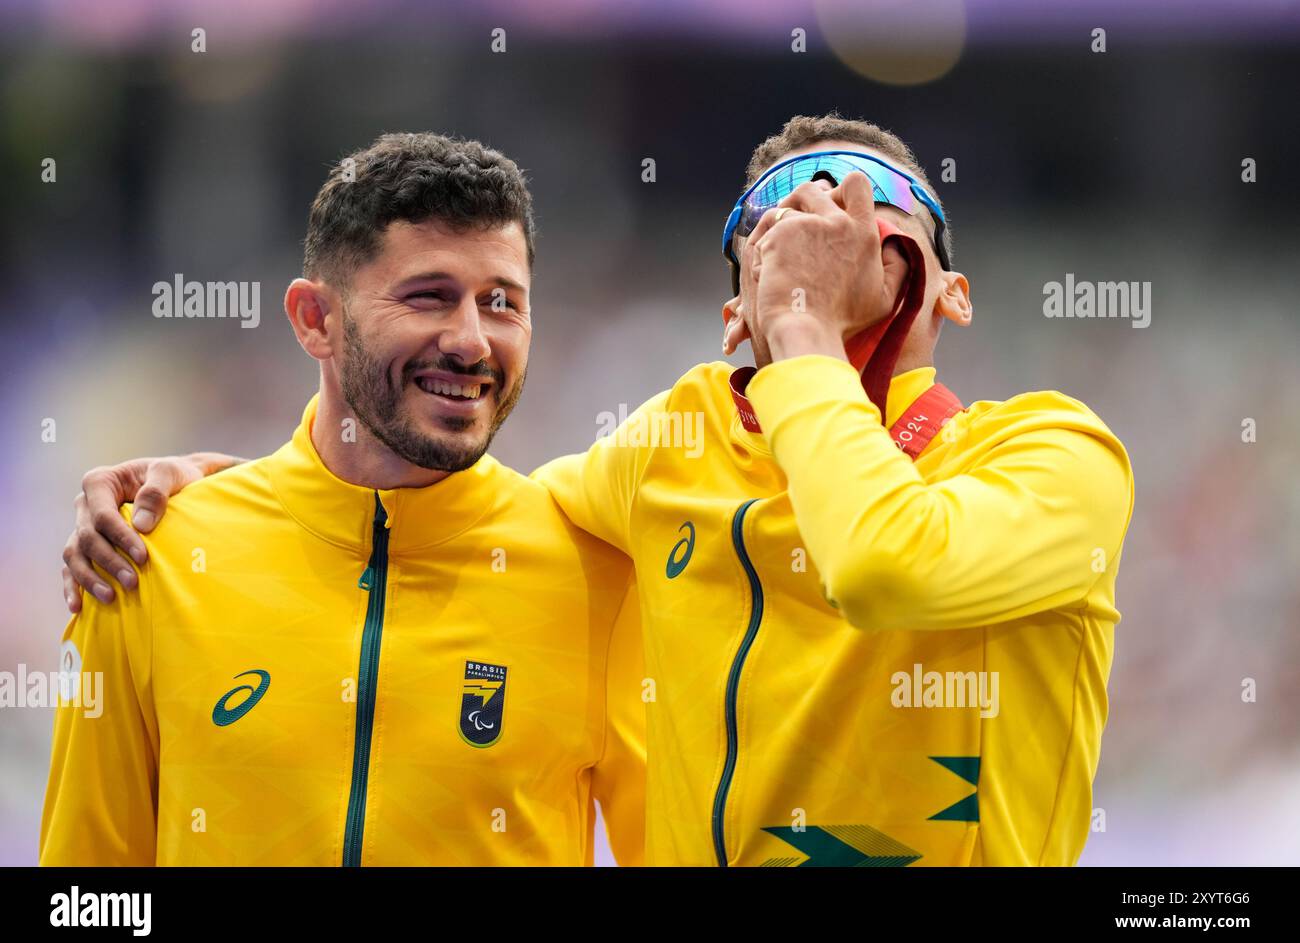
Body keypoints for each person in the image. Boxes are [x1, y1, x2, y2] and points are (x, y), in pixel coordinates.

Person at [62, 114, 1134, 867]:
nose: (821, 243)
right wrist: (227, 488)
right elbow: (412, 499)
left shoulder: (1055, 456)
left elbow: (885, 558)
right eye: (780, 240)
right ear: (734, 316)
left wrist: (801, 326)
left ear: (952, 288)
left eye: (872, 224)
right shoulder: (658, 465)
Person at [41, 132, 644, 866]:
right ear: (314, 320)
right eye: (430, 296)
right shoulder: (150, 560)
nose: (472, 341)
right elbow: (84, 894)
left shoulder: (600, 576)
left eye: (501, 303)